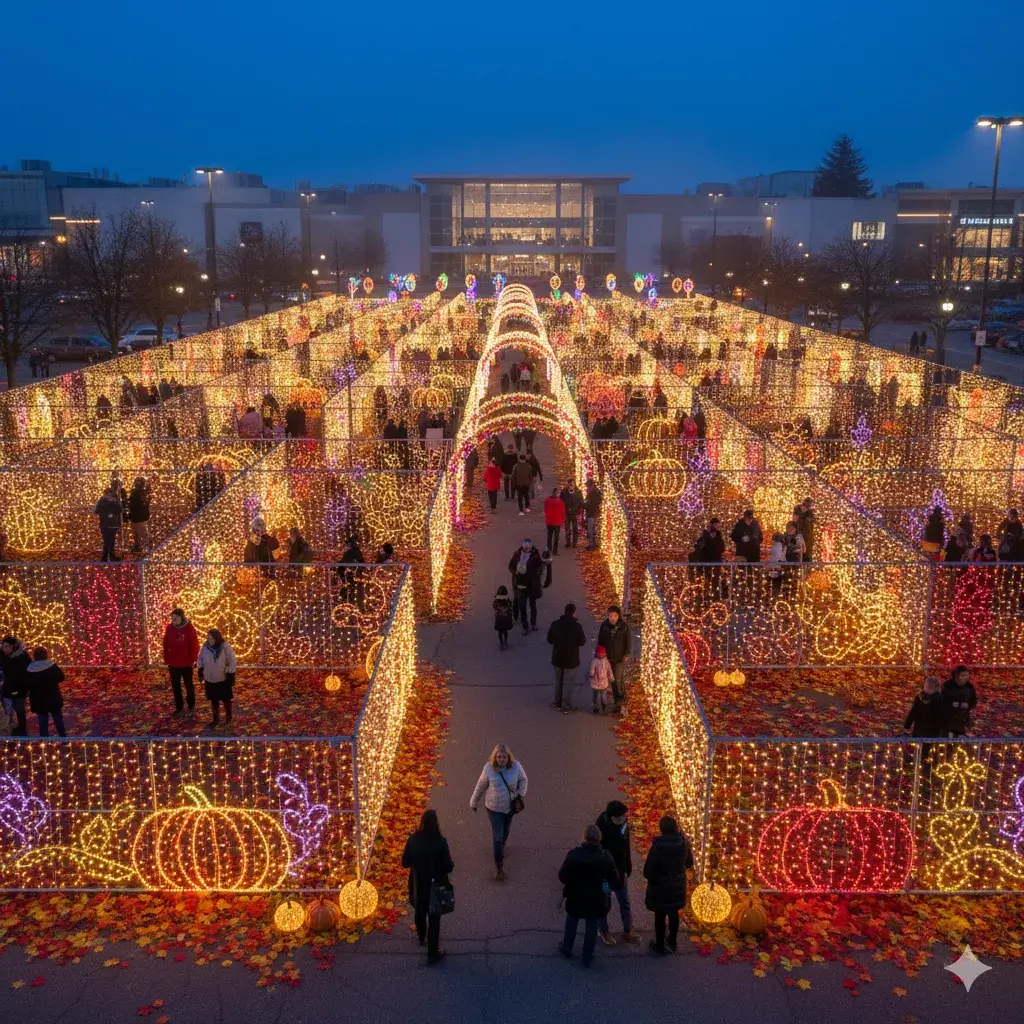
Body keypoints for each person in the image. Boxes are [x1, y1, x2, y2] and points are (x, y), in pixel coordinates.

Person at [557, 824, 620, 968]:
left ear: (584, 837)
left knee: (571, 922)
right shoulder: (605, 857)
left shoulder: (574, 855)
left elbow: (562, 876)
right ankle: (587, 956)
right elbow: (614, 880)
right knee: (591, 926)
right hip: (596, 899)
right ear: (599, 839)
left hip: (575, 896)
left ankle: (567, 948)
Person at [401, 809, 454, 966]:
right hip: (436, 885)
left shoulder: (413, 840)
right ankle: (432, 953)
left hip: (418, 883)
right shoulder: (441, 842)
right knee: (434, 918)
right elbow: (448, 867)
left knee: (419, 911)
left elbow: (405, 862)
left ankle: (421, 936)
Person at [469, 744, 528, 881]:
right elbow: (481, 785)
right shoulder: (489, 769)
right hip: (493, 808)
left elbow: (524, 780)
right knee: (498, 836)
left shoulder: (516, 767)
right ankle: (499, 867)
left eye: (504, 757)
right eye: (499, 757)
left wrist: (520, 793)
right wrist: (474, 801)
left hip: (510, 807)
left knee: (505, 831)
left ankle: (500, 848)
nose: (502, 759)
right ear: (495, 757)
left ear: (509, 757)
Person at [643, 816, 694, 955]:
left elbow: (647, 871)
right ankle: (672, 941)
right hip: (677, 887)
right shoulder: (683, 844)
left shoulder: (657, 848)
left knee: (659, 916)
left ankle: (659, 944)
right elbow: (689, 864)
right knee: (673, 913)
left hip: (660, 888)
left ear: (661, 830)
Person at [597, 800, 639, 945]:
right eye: (619, 818)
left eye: (623, 817)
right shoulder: (600, 828)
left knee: (624, 901)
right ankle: (603, 930)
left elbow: (626, 844)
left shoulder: (623, 824)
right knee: (604, 903)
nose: (622, 820)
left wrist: (628, 865)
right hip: (606, 876)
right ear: (610, 817)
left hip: (620, 871)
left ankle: (628, 929)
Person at [547, 602, 587, 713]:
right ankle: (566, 705)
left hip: (557, 657)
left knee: (558, 681)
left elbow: (549, 639)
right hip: (571, 659)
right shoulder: (577, 627)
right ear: (574, 613)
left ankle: (557, 702)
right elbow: (582, 641)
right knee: (568, 682)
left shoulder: (555, 624)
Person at [197, 628, 237, 728]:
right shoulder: (205, 647)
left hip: (222, 679)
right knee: (213, 700)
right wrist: (201, 671)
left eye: (212, 639)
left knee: (226, 700)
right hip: (210, 678)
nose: (210, 641)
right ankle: (216, 719)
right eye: (209, 638)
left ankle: (228, 718)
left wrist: (230, 673)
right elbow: (200, 659)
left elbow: (232, 660)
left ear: (217, 638)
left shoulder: (224, 647)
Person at [163, 608, 200, 715]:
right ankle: (179, 706)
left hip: (186, 663)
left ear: (181, 617)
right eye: (172, 617)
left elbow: (194, 644)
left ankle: (191, 704)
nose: (174, 619)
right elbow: (165, 643)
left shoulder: (189, 628)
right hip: (173, 663)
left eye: (176, 617)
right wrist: (166, 658)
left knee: (189, 685)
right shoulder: (169, 628)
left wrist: (194, 659)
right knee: (176, 686)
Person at [597, 605, 632, 711]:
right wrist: (600, 654)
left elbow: (628, 641)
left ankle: (621, 701)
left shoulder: (624, 627)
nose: (612, 618)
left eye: (614, 616)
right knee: (613, 679)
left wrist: (627, 654)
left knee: (617, 678)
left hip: (620, 657)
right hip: (608, 657)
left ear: (618, 616)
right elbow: (601, 641)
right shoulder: (604, 626)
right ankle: (618, 700)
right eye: (610, 616)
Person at [26, 647, 66, 737]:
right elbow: (61, 677)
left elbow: (27, 684)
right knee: (58, 720)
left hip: (38, 700)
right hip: (53, 698)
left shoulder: (30, 669)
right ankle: (64, 739)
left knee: (42, 722)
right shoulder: (52, 666)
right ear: (46, 655)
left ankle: (44, 742)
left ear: (34, 656)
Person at [508, 539, 543, 634]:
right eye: (524, 547)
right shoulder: (517, 554)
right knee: (522, 606)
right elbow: (511, 565)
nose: (526, 549)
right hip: (520, 585)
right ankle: (525, 626)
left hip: (531, 585)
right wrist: (515, 572)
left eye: (527, 548)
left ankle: (533, 624)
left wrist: (534, 574)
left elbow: (540, 568)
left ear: (531, 547)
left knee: (532, 605)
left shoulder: (535, 556)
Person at [0, 635, 31, 735]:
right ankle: (8, 730)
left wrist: (26, 688)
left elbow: (29, 672)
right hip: (7, 689)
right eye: (3, 646)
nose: (5, 649)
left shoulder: (23, 657)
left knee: (20, 710)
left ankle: (22, 730)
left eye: (7, 646)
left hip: (20, 689)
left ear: (13, 646)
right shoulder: (2, 655)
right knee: (7, 711)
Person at [942, 665, 977, 737]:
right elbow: (942, 699)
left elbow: (974, 701)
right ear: (956, 676)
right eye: (963, 675)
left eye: (967, 675)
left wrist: (968, 704)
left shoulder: (970, 687)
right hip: (948, 719)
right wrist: (951, 704)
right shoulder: (948, 685)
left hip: (962, 718)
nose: (965, 678)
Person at [94, 486, 123, 562]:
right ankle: (110, 557)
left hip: (104, 524)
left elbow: (96, 511)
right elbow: (120, 509)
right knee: (110, 541)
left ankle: (105, 558)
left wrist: (104, 514)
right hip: (113, 524)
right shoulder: (114, 500)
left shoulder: (102, 500)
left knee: (107, 541)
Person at [338, 535, 366, 610]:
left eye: (348, 543)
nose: (346, 545)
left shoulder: (353, 551)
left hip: (350, 571)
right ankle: (349, 598)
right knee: (350, 585)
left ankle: (349, 599)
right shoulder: (351, 551)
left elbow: (360, 561)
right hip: (347, 571)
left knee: (351, 585)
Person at [588, 645, 614, 715]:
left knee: (603, 696)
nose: (600, 654)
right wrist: (591, 674)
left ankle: (604, 706)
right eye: (599, 653)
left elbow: (609, 670)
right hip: (595, 682)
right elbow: (592, 669)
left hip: (604, 683)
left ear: (604, 653)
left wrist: (611, 677)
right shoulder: (594, 661)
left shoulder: (606, 661)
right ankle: (595, 706)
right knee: (595, 696)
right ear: (596, 653)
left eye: (602, 653)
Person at [127, 477, 152, 554]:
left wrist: (129, 504)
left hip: (139, 517)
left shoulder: (139, 493)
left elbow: (137, 504)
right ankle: (138, 547)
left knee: (142, 533)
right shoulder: (141, 493)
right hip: (137, 516)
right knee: (137, 533)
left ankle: (147, 549)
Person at [560, 481, 583, 549]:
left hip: (575, 513)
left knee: (575, 529)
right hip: (567, 513)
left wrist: (578, 510)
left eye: (572, 485)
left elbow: (581, 502)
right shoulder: (564, 492)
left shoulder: (578, 493)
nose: (571, 486)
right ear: (568, 485)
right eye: (570, 485)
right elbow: (561, 501)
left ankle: (574, 543)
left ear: (574, 485)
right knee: (567, 529)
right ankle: (568, 542)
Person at [543, 487, 566, 555]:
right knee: (555, 536)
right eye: (557, 492)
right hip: (556, 522)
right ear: (554, 493)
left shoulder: (547, 500)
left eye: (559, 492)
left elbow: (545, 510)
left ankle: (550, 548)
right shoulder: (560, 501)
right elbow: (563, 511)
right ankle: (554, 550)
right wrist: (563, 519)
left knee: (550, 536)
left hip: (550, 521)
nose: (558, 494)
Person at [584, 476, 603, 550]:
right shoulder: (592, 493)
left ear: (591, 486)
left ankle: (592, 545)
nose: (587, 488)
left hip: (593, 514)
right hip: (591, 514)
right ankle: (592, 544)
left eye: (588, 486)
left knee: (591, 531)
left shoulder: (595, 493)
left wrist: (586, 504)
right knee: (591, 530)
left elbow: (595, 502)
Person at [493, 585, 514, 650]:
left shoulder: (496, 600)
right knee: (505, 631)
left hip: (499, 618)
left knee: (500, 631)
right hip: (506, 617)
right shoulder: (507, 600)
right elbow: (510, 607)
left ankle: (501, 643)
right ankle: (505, 642)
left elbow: (494, 606)